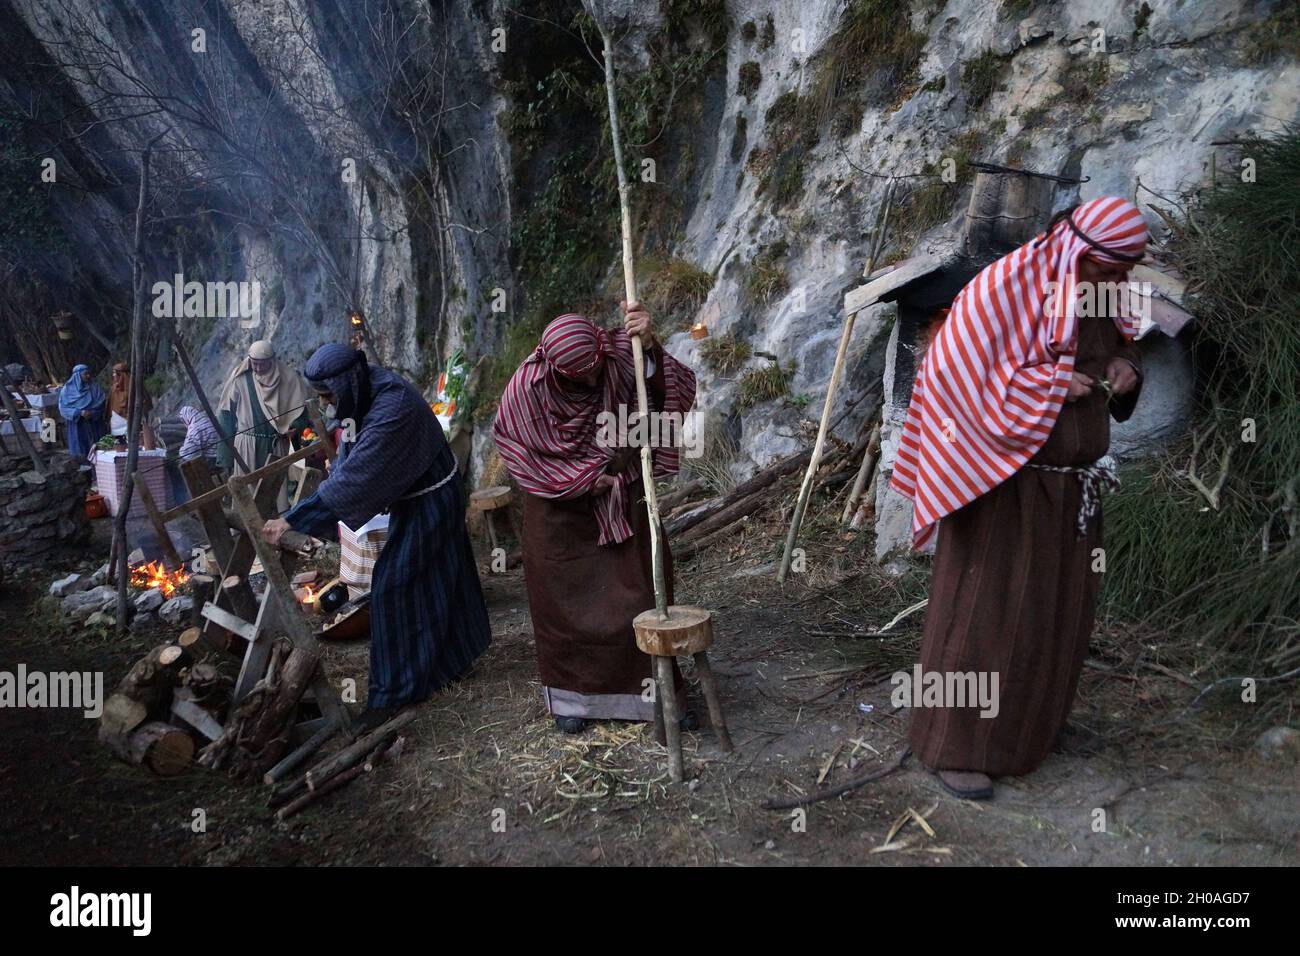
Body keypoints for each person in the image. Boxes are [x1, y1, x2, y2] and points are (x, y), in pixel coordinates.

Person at [889, 196, 1149, 800]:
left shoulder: (1104, 289)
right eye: (1107, 270)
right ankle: (952, 743)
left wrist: (1128, 367)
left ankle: (1029, 730)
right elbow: (952, 372)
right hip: (1001, 484)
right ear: (1079, 250)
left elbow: (1122, 344)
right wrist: (1052, 382)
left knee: (1055, 615)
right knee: (986, 613)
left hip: (1070, 489)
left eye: (1123, 274)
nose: (1116, 285)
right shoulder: (1006, 287)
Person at [260, 344, 491, 729]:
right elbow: (350, 437)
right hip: (420, 496)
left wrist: (295, 519)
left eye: (329, 395)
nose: (329, 403)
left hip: (431, 499)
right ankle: (450, 663)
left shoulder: (393, 406)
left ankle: (391, 696)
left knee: (391, 588)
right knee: (438, 579)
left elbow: (357, 477)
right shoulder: (367, 388)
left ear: (346, 381)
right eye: (322, 397)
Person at [493, 303, 697, 734]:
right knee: (563, 606)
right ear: (553, 369)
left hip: (624, 497)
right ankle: (576, 702)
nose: (589, 381)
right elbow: (516, 449)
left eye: (594, 371)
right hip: (559, 513)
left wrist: (651, 345)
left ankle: (654, 696)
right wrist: (583, 479)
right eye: (577, 378)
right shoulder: (526, 390)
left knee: (641, 592)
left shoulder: (621, 352)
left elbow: (671, 396)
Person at [215, 340, 311, 476]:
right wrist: (226, 459)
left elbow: (300, 412)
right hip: (247, 448)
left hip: (277, 446)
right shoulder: (240, 379)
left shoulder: (288, 379)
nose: (258, 369)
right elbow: (226, 416)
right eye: (255, 364)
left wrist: (295, 427)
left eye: (263, 364)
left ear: (272, 360)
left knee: (278, 492)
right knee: (249, 492)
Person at [58, 363, 107, 458]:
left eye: (89, 373)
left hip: (94, 422)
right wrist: (79, 412)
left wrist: (92, 413)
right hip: (77, 424)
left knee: (98, 448)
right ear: (77, 376)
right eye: (85, 374)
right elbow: (63, 408)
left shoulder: (95, 387)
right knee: (80, 448)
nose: (88, 376)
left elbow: (101, 401)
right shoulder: (66, 390)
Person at [107, 362, 156, 449]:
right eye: (113, 373)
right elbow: (110, 404)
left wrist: (140, 413)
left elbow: (144, 401)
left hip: (130, 421)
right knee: (119, 443)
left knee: (132, 443)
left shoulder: (134, 387)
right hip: (116, 422)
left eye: (116, 373)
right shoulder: (114, 388)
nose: (114, 376)